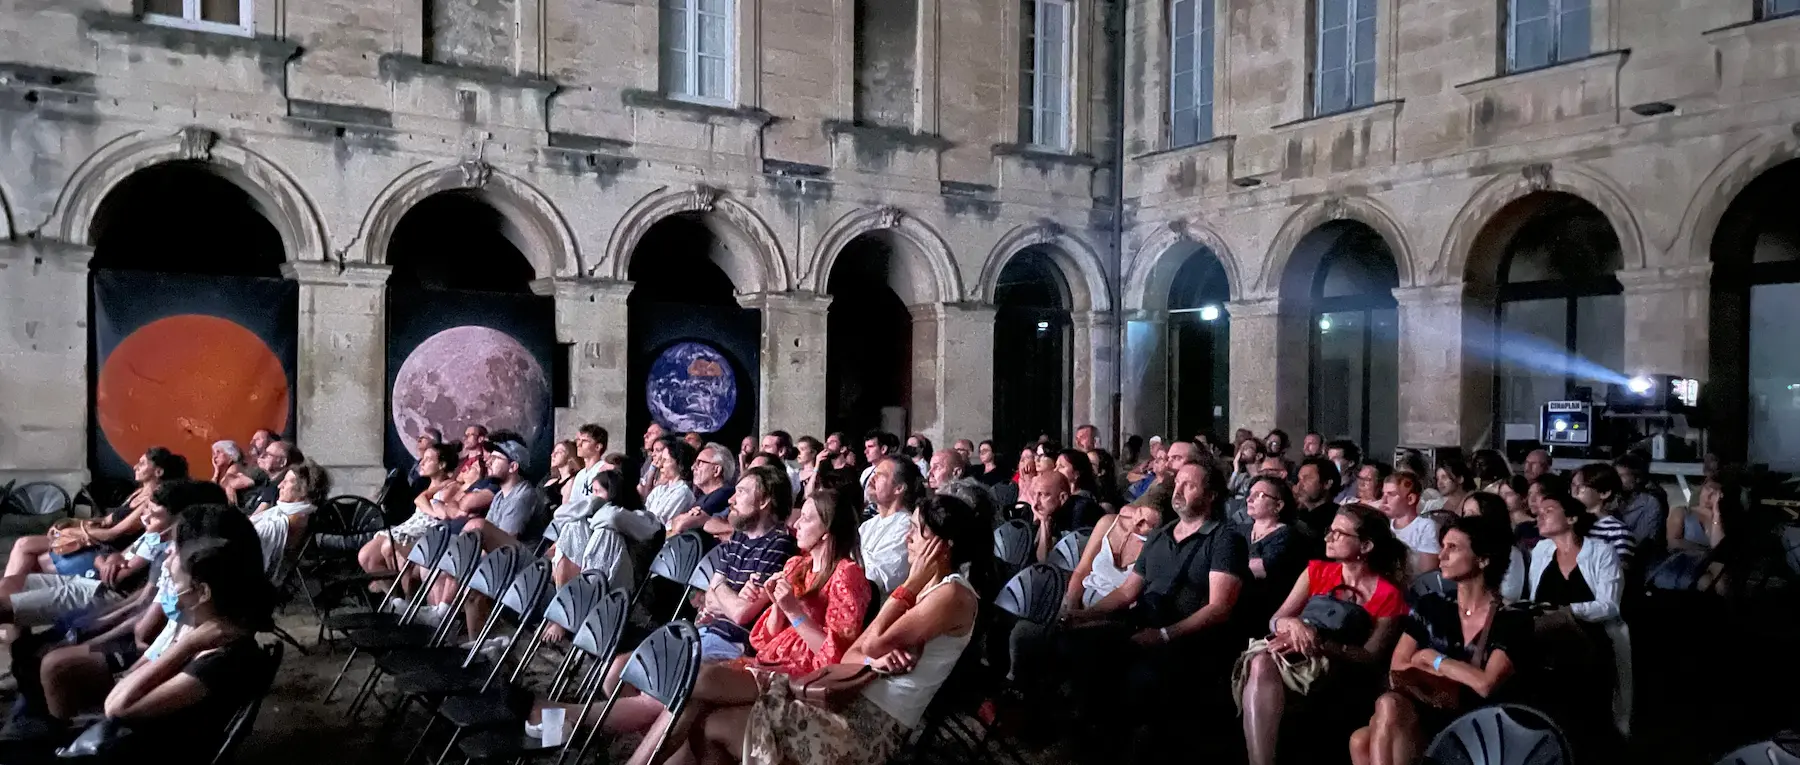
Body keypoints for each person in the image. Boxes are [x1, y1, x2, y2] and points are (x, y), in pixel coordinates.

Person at [681, 493, 988, 765]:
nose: (908, 538)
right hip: (847, 698)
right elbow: (855, 654)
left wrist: (909, 584)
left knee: (712, 722)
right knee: (705, 718)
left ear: (942, 546)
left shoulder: (952, 595)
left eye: (917, 530)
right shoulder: (927, 592)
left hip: (870, 724)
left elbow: (867, 644)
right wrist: (872, 660)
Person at [609, 475, 870, 765]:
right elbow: (763, 639)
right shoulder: (798, 564)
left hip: (798, 677)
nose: (796, 523)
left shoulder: (848, 575)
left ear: (827, 531)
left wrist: (794, 611)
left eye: (807, 519)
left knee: (697, 678)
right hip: (766, 663)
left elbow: (837, 656)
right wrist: (776, 606)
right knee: (697, 708)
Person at [1058, 462, 1248, 760]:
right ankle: (1089, 741)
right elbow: (1126, 592)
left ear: (1211, 495)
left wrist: (1164, 635)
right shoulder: (1162, 535)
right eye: (1178, 483)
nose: (1179, 491)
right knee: (1073, 647)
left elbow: (1219, 608)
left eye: (1190, 485)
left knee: (1137, 679)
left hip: (1188, 640)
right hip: (1141, 626)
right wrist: (1086, 615)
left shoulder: (1224, 540)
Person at [1349, 516, 1530, 765]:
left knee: (1373, 728)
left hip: (1476, 722)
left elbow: (1485, 684)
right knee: (1368, 729)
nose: (1441, 556)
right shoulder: (1432, 606)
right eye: (1442, 546)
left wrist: (1432, 659)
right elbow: (1398, 667)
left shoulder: (1512, 618)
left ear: (1483, 559)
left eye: (1453, 548)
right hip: (1427, 707)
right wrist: (1456, 672)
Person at [1239, 504, 1408, 765]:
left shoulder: (1388, 594)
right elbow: (1276, 619)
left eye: (1339, 534)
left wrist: (1321, 644)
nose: (1328, 537)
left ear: (1365, 546)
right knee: (1261, 660)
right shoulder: (1316, 571)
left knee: (1263, 665)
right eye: (1330, 530)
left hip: (1336, 662)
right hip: (1290, 649)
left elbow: (1372, 656)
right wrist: (1294, 626)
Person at [94, 536, 278, 761]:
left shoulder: (222, 659)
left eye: (175, 583)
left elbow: (116, 707)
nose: (170, 593)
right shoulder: (212, 633)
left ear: (203, 592)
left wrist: (185, 645)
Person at [1527, 493, 1629, 737]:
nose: (1539, 515)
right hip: (1548, 637)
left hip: (1590, 637)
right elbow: (1534, 598)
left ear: (1571, 518)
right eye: (1538, 512)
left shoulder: (1601, 551)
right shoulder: (1541, 550)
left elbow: (1609, 604)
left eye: (1548, 510)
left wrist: (1568, 611)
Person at [7, 448, 185, 581]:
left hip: (105, 548)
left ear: (158, 472)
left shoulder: (151, 502)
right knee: (24, 549)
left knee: (26, 551)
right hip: (96, 539)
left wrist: (76, 533)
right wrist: (72, 523)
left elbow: (113, 533)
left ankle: (9, 616)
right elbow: (106, 520)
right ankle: (10, 618)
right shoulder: (138, 492)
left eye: (143, 463)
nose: (136, 466)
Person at [1239, 477, 1307, 627]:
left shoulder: (1287, 535)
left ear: (1278, 505)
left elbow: (1262, 569)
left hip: (1266, 610)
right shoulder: (1240, 530)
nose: (1249, 499)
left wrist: (1230, 567)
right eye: (1250, 494)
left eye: (1259, 495)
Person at [248, 461, 329, 581]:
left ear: (303, 490)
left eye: (287, 481)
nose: (280, 485)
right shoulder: (294, 512)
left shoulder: (295, 517)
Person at [860, 456, 924, 596]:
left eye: (880, 475)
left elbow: (879, 576)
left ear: (899, 488)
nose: (872, 479)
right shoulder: (867, 525)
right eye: (873, 473)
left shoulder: (907, 526)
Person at [1459, 493, 1526, 602]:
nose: (1466, 519)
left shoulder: (1511, 554)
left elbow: (1510, 595)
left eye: (1471, 514)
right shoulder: (1463, 551)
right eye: (1464, 513)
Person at [1572, 463, 1636, 570]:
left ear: (1604, 493)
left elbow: (1617, 573)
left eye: (1582, 487)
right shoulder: (1569, 523)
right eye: (1573, 485)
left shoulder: (1617, 531)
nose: (1574, 492)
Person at [1380, 471, 1440, 579]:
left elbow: (1428, 575)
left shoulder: (1425, 527)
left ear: (1410, 499)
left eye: (1391, 494)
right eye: (1383, 494)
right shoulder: (1382, 524)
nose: (1383, 500)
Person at [644, 436, 700, 529]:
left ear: (679, 463)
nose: (661, 464)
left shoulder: (683, 492)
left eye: (665, 460)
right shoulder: (659, 489)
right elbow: (645, 511)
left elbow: (661, 522)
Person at [208, 441, 259, 507]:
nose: (215, 456)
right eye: (214, 453)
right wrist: (216, 471)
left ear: (230, 453)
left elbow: (209, 494)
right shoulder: (229, 472)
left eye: (218, 452)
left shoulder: (234, 471)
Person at [542, 439, 583, 509]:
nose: (553, 455)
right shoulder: (551, 481)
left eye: (559, 452)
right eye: (553, 451)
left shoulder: (570, 483)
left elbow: (565, 512)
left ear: (570, 457)